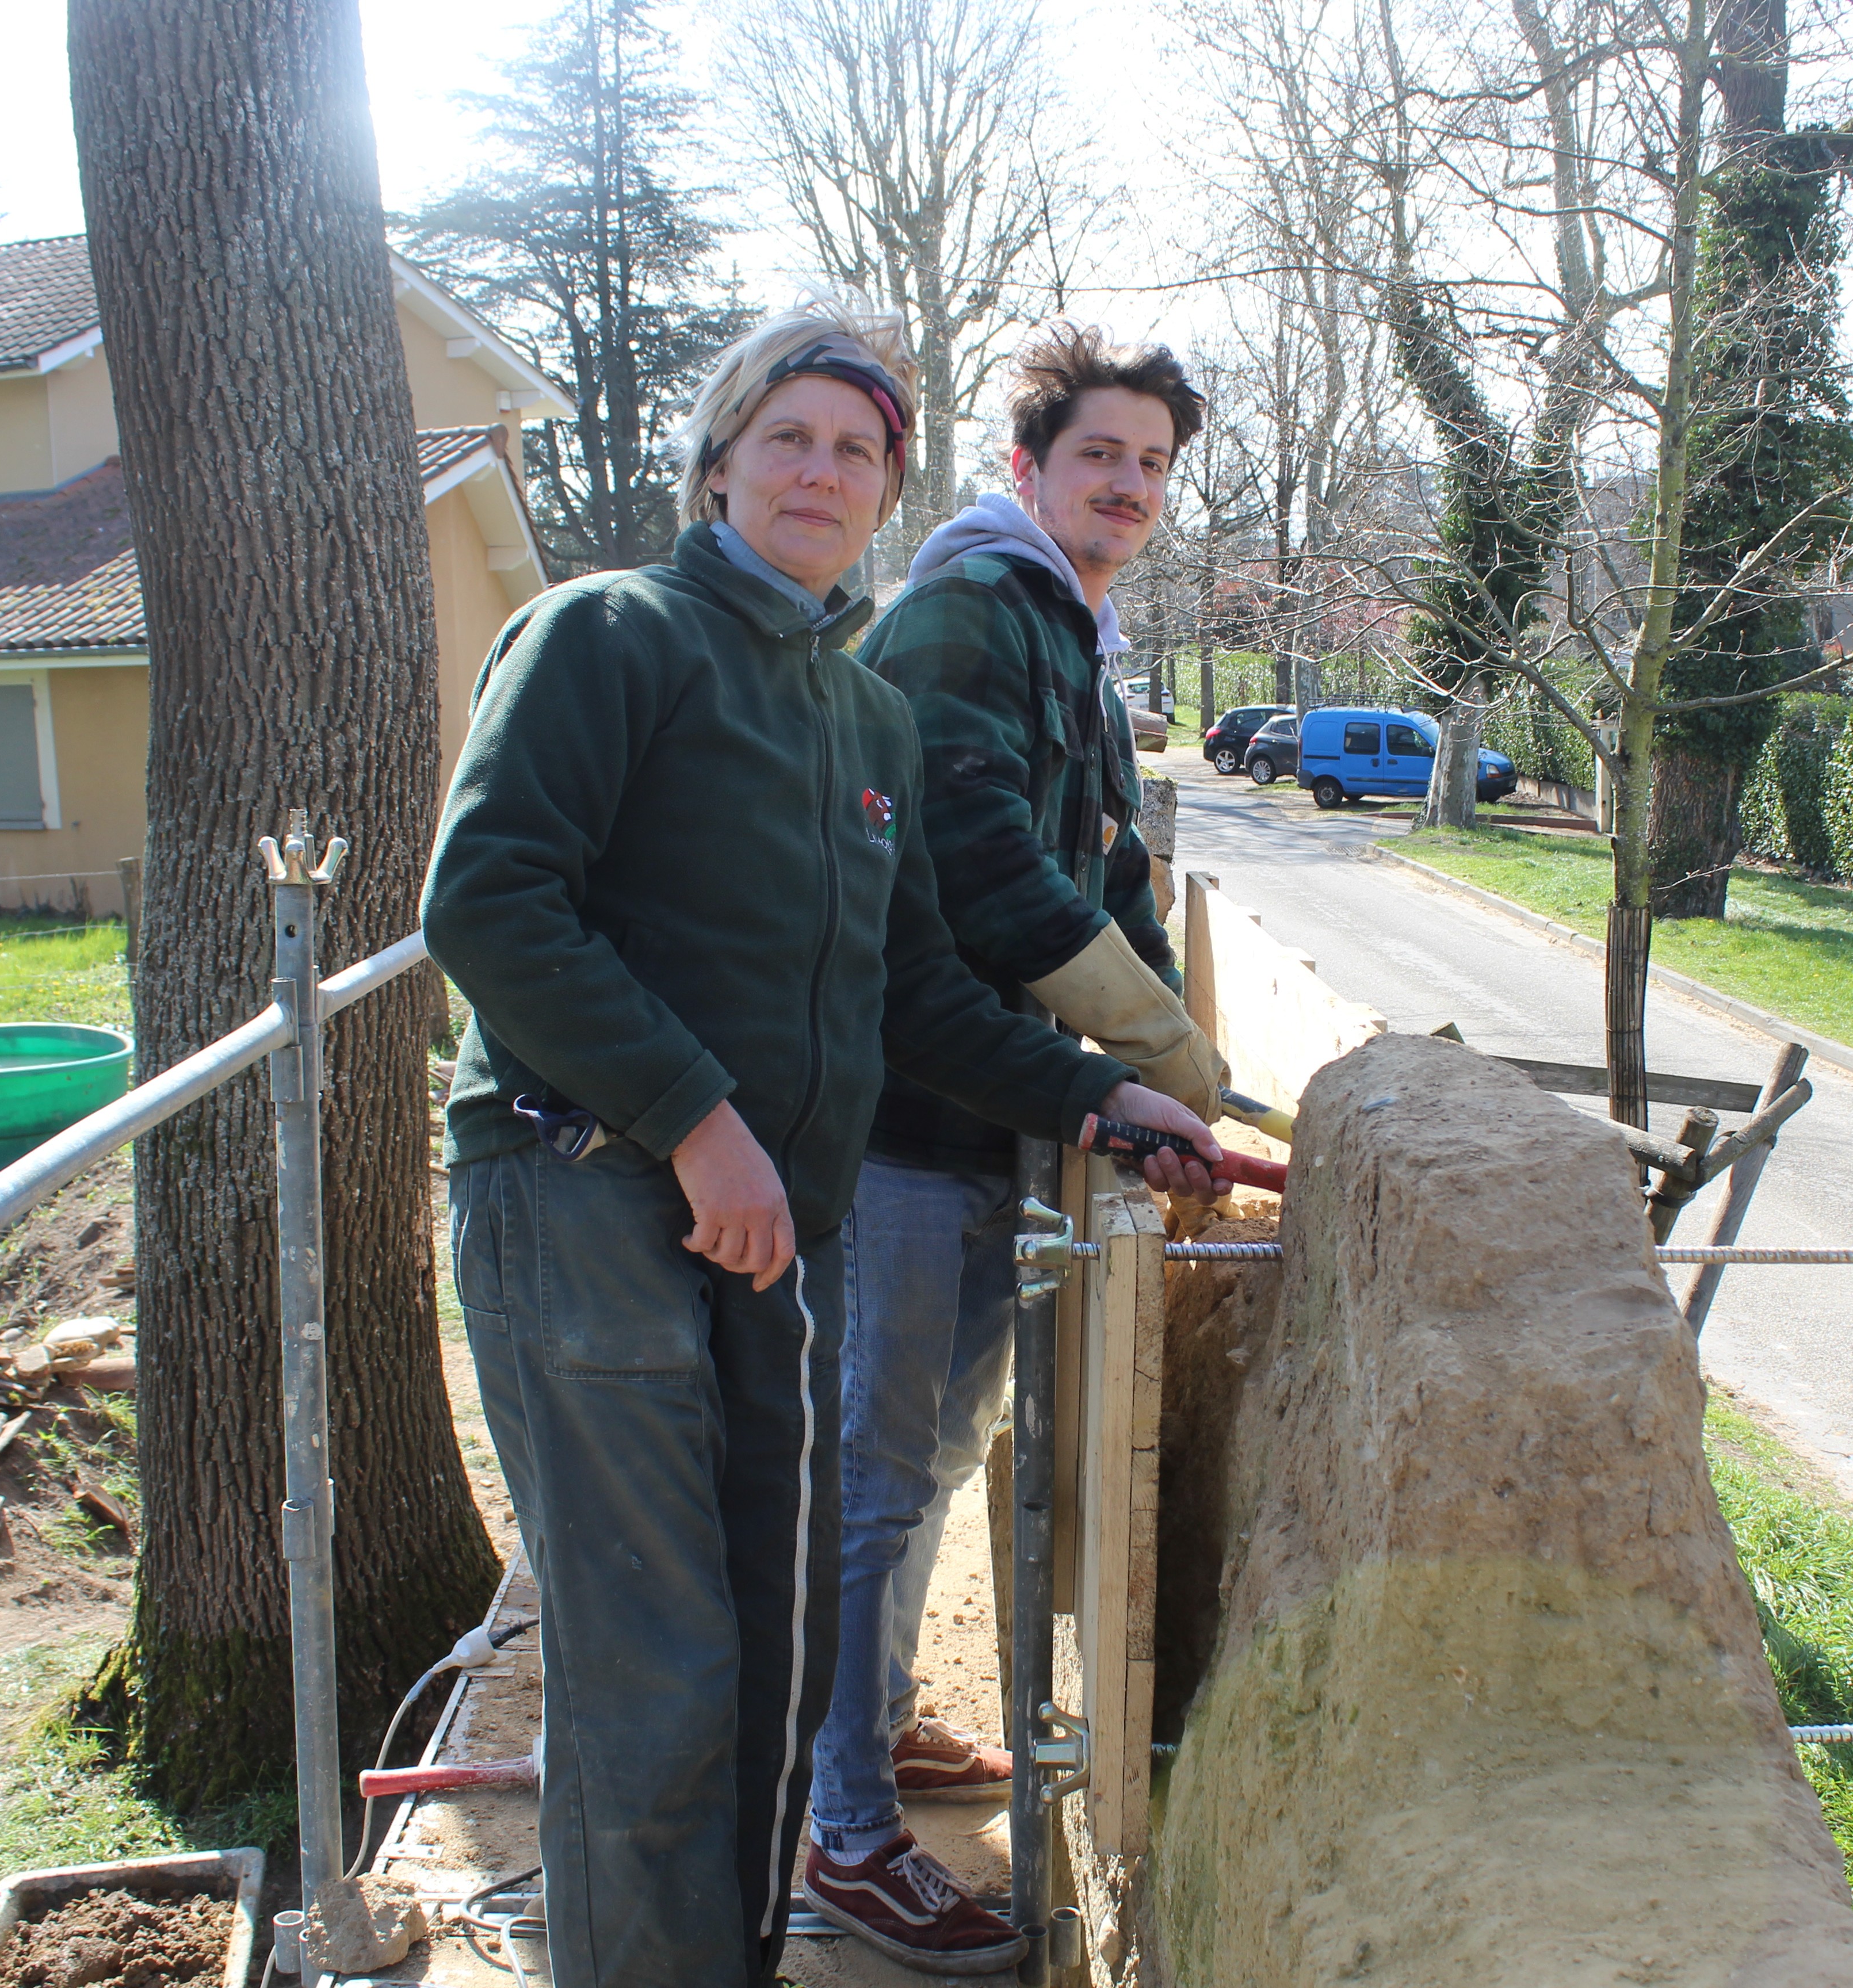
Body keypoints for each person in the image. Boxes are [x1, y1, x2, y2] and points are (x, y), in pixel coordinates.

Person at [420, 301, 1222, 1988]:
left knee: (772, 1657)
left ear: (888, 490)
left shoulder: (853, 720)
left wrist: (1100, 1095)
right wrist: (700, 1124)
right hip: (581, 1191)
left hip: (768, 1236)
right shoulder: (607, 637)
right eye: (788, 436)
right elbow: (488, 902)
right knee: (654, 1668)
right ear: (717, 464)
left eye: (857, 449)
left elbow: (914, 987)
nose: (823, 470)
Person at [800, 325, 1214, 1972]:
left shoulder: (1072, 629)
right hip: (907, 1122)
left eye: (1154, 465)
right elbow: (978, 872)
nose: (1129, 485)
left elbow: (1104, 871)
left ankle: (875, 1727)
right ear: (1031, 468)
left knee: (928, 1459)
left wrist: (1183, 1043)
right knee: (878, 1487)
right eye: (1102, 456)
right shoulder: (976, 608)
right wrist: (1146, 1049)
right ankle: (840, 1836)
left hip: (996, 1117)